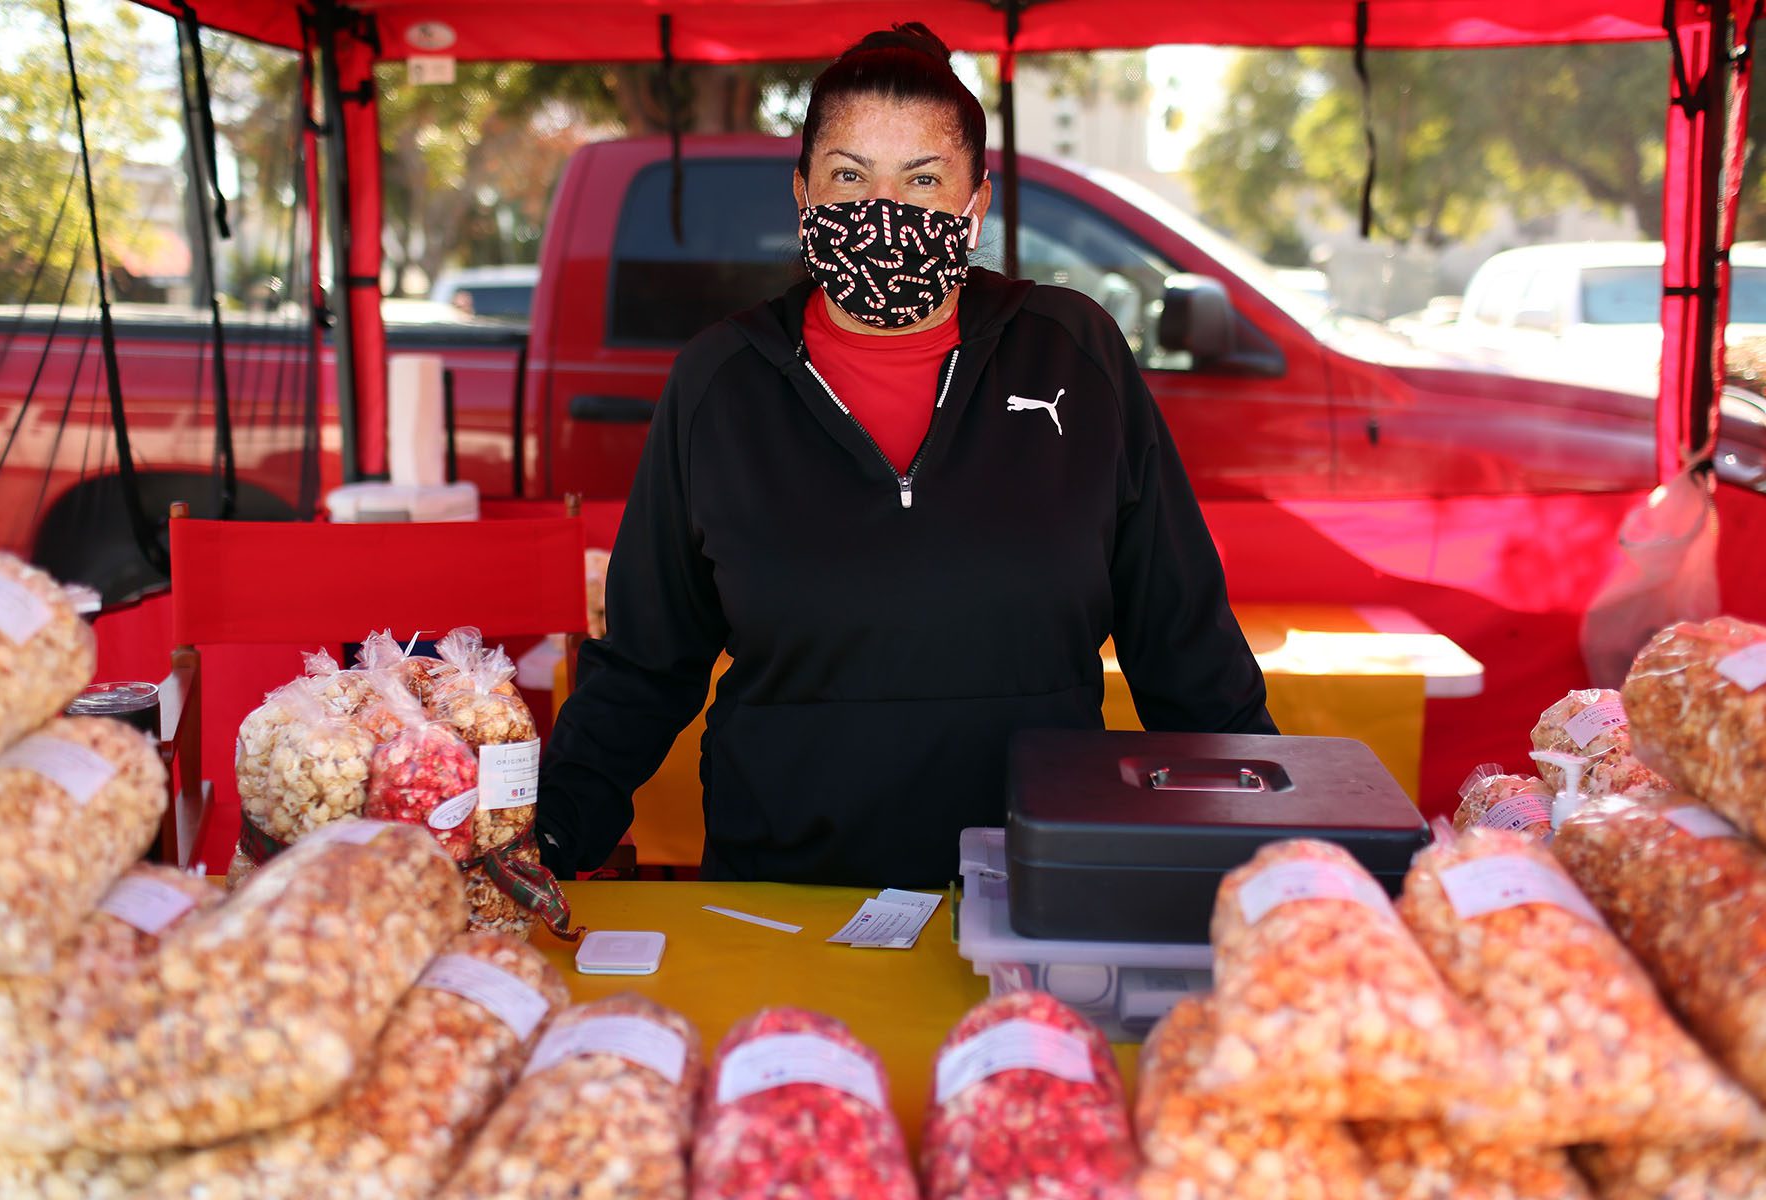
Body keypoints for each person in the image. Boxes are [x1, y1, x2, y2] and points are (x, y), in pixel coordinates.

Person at [538, 23, 1273, 888]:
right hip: (782, 902)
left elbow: (1183, 641)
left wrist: (1272, 849)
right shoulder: (721, 381)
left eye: (923, 181)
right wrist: (546, 836)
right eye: (850, 175)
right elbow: (645, 663)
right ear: (804, 194)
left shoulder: (1071, 352)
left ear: (975, 203)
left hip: (1037, 884)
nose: (884, 209)